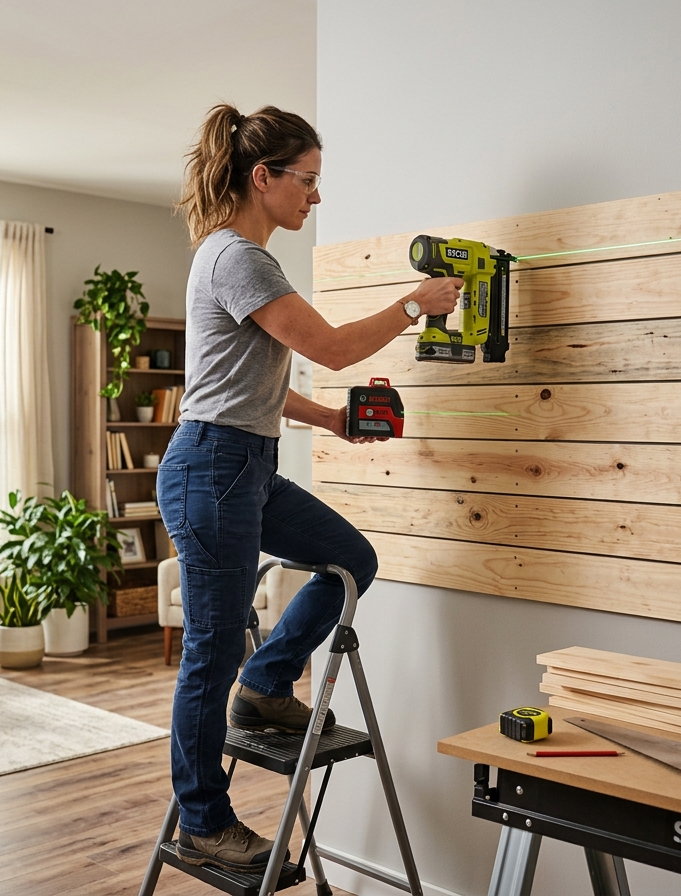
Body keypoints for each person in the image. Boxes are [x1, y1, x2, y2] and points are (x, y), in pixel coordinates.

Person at [157, 103, 461, 874]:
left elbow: (241, 381)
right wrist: (411, 304)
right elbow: (326, 347)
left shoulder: (240, 262)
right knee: (209, 649)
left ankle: (264, 685)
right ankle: (203, 821)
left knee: (350, 561)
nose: (315, 197)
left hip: (242, 463)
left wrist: (329, 421)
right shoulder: (237, 258)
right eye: (308, 180)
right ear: (264, 178)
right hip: (214, 467)